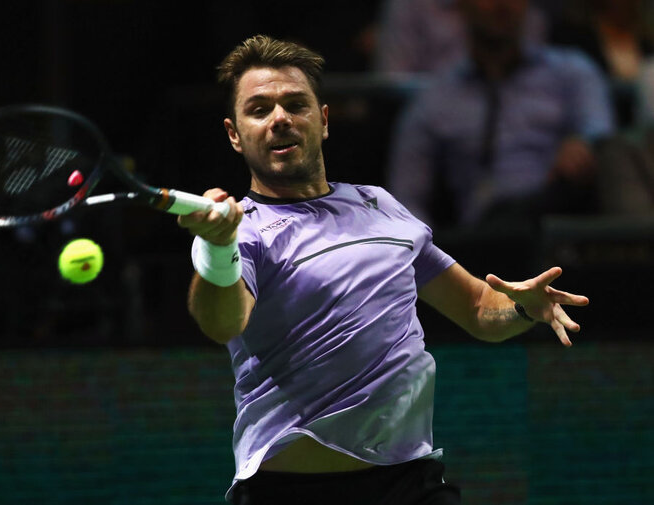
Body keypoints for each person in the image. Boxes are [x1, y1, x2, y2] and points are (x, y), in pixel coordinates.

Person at [177, 34, 589, 505]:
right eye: (259, 110)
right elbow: (222, 323)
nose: (280, 118)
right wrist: (217, 248)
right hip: (290, 491)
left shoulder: (379, 206)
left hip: (409, 483)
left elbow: (478, 307)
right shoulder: (242, 232)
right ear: (234, 134)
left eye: (295, 104)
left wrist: (522, 307)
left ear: (323, 120)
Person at [385, 0, 615, 230]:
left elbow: (601, 134)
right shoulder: (436, 97)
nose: (502, 4)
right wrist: (429, 247)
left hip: (555, 222)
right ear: (461, 6)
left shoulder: (571, 72)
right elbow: (406, 197)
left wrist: (582, 144)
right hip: (479, 235)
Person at [373, 0, 547, 74]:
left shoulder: (521, 9)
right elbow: (392, 81)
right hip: (432, 113)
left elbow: (534, 77)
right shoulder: (410, 5)